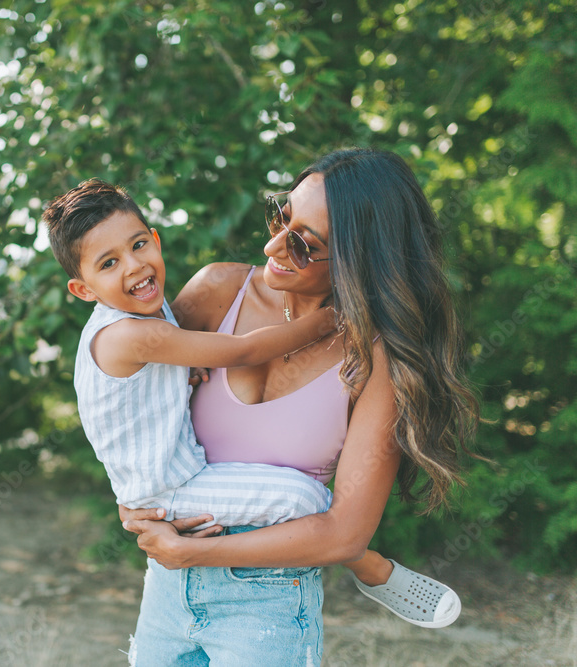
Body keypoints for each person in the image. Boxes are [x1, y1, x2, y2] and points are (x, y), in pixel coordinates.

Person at [41, 174, 463, 653]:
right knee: (300, 498)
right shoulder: (216, 292)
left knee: (303, 497)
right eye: (281, 218)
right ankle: (374, 568)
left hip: (268, 603)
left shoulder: (378, 361)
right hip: (166, 591)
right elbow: (131, 411)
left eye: (304, 244)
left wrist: (191, 550)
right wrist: (134, 500)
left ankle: (376, 571)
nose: (273, 247)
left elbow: (342, 534)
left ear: (361, 260)